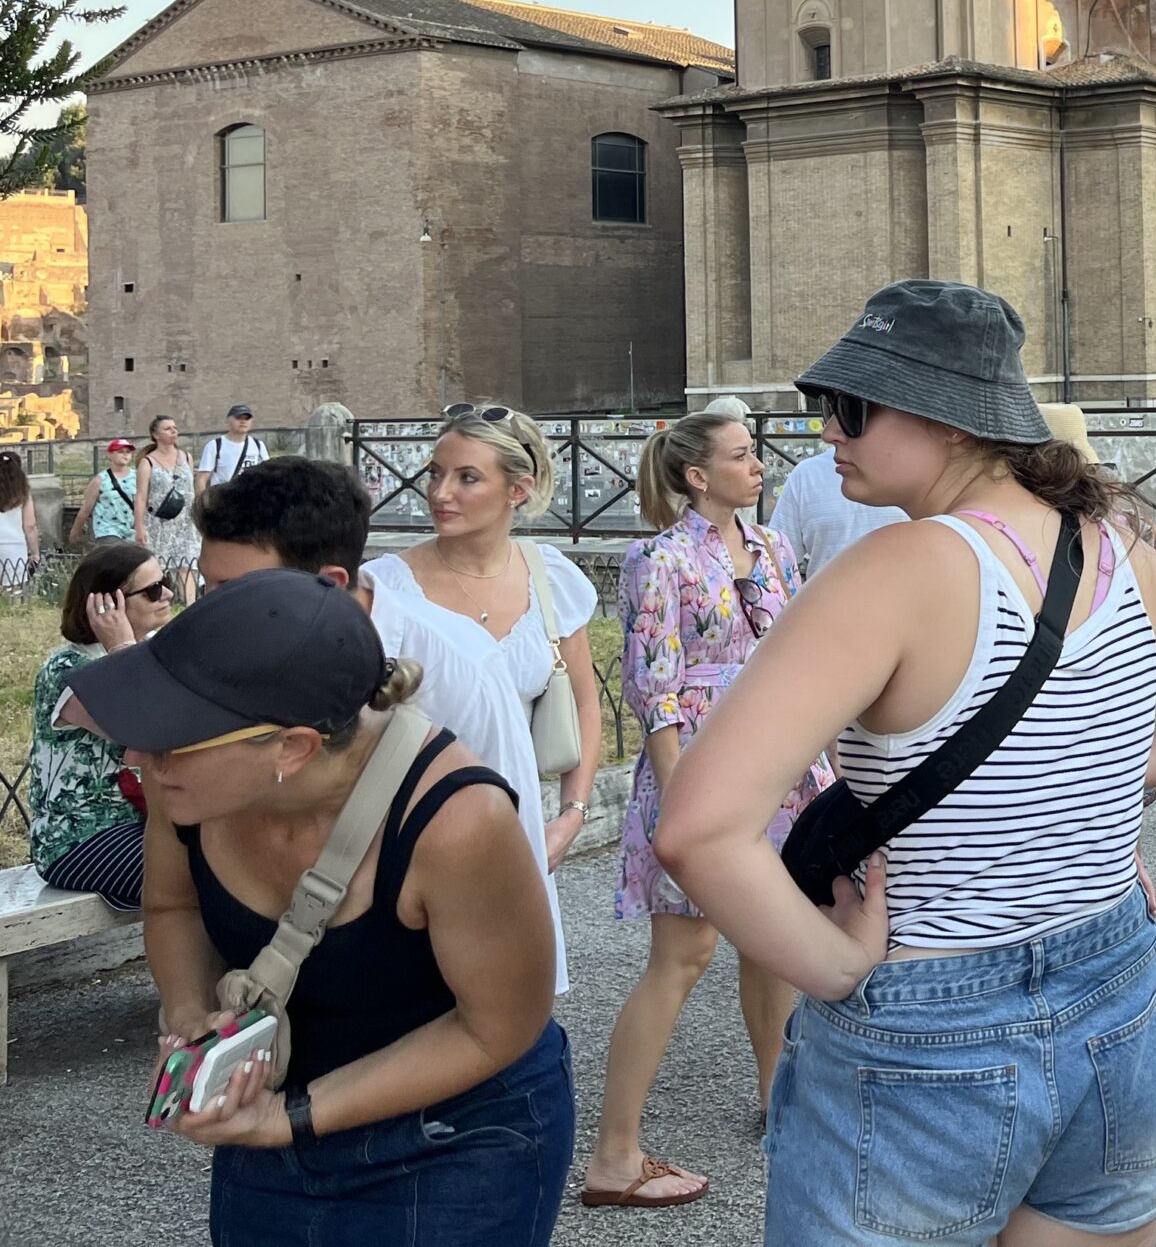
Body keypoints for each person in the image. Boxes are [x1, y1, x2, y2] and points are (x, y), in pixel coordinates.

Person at [655, 278, 1156, 1246]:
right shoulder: (1114, 547)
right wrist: (1102, 778)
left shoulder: (893, 573)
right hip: (1114, 991)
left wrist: (830, 965)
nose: (829, 430)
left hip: (925, 1019)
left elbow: (698, 829)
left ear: (949, 421)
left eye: (854, 407)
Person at [79, 568, 572, 1245]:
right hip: (275, 1123)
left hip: (456, 1132)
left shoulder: (458, 822)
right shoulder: (183, 784)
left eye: (170, 738)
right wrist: (193, 1021)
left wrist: (290, 1118)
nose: (138, 755)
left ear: (292, 747)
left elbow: (500, 1027)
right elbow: (173, 907)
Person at [583, 412, 834, 1211]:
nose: (757, 466)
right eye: (740, 456)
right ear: (697, 475)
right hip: (699, 761)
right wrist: (678, 799)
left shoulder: (773, 549)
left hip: (779, 759)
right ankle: (614, 1150)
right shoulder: (655, 559)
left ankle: (778, 1101)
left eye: (754, 453)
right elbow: (653, 688)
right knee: (683, 957)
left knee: (773, 942)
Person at [193, 456, 564, 993]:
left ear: (328, 583)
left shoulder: (459, 671)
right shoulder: (223, 652)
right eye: (208, 585)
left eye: (233, 589)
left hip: (429, 987)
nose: (210, 610)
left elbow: (509, 842)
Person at [359, 405, 604, 898]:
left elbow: (584, 702)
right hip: (407, 830)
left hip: (519, 827)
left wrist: (571, 815)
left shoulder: (550, 578)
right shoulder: (386, 588)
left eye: (467, 477)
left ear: (518, 490)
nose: (440, 492)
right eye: (435, 473)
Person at [29, 542, 172, 907]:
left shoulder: (154, 651)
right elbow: (146, 731)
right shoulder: (68, 670)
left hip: (142, 821)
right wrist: (122, 644)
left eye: (166, 581)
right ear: (108, 603)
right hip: (77, 838)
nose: (169, 593)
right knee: (195, 876)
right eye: (154, 589)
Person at [770, 427, 905, 576]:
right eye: (829, 408)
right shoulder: (807, 474)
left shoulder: (915, 474)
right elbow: (778, 561)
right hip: (824, 597)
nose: (828, 433)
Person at [140, 415, 202, 604]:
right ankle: (159, 602)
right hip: (159, 523)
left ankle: (189, 604)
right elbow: (141, 496)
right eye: (167, 428)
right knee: (159, 565)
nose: (173, 431)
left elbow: (191, 488)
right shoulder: (147, 462)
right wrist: (139, 526)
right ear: (155, 434)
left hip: (186, 521)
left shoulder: (186, 457)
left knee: (187, 562)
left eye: (174, 427)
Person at [70, 436, 142, 545]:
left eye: (128, 452)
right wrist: (75, 532)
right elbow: (86, 509)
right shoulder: (100, 480)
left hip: (131, 529)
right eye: (120, 452)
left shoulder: (137, 476)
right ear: (110, 455)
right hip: (107, 529)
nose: (125, 454)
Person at [196, 404, 269, 494]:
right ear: (228, 420)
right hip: (223, 498)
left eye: (247, 418)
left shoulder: (259, 446)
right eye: (238, 418)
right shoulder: (214, 445)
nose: (243, 421)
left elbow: (267, 475)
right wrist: (202, 502)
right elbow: (202, 478)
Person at [0, 448, 35, 588]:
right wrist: (35, 553)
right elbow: (30, 525)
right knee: (14, 595)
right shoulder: (23, 492)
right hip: (14, 549)